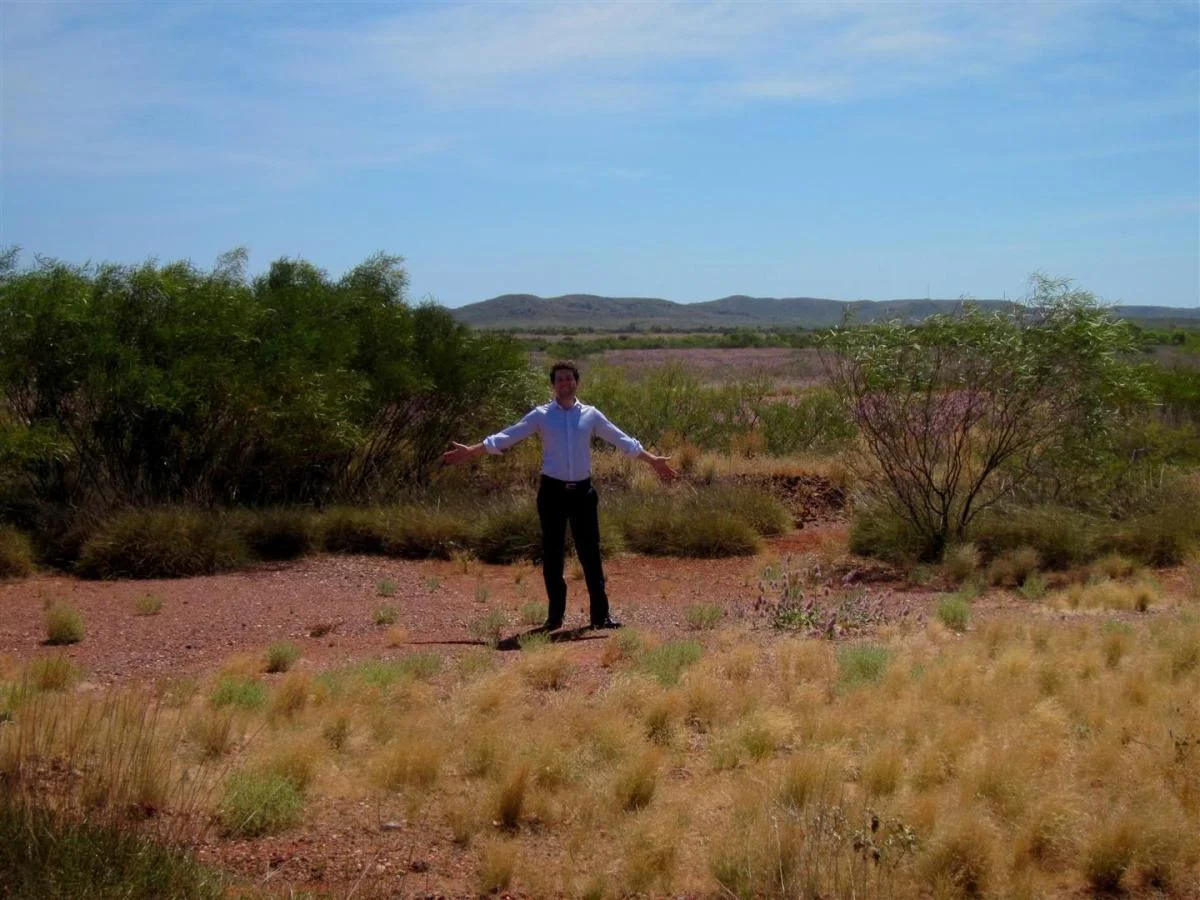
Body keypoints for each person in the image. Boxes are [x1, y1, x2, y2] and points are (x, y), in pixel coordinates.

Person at [441, 360, 677, 631]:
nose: (565, 383)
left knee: (590, 554)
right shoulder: (541, 415)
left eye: (569, 378)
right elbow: (507, 437)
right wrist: (470, 452)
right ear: (553, 385)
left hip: (583, 493)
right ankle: (554, 618)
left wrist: (653, 461)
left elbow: (621, 440)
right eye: (560, 379)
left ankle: (600, 617)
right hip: (552, 493)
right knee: (553, 556)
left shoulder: (591, 415)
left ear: (576, 382)